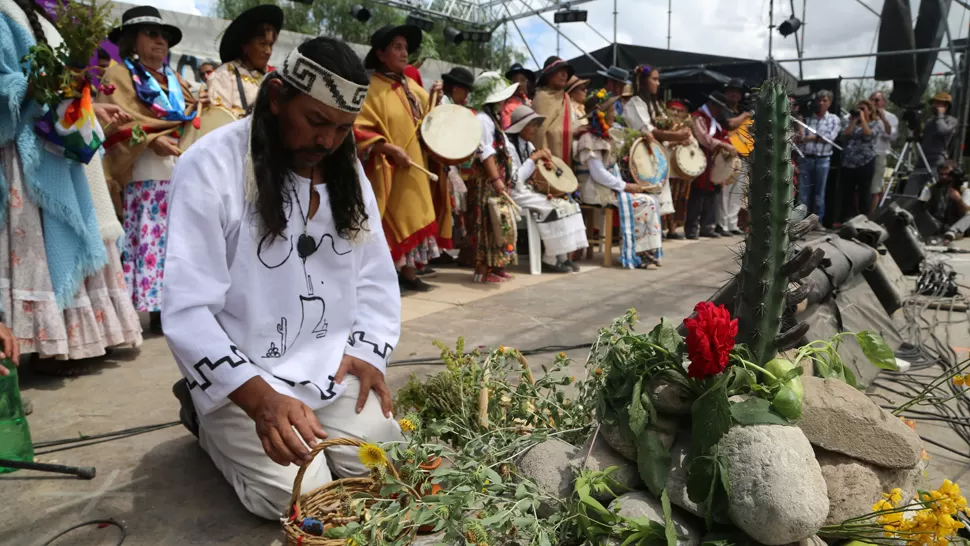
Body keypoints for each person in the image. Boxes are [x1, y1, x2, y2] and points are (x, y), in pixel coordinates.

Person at [164, 36, 403, 521]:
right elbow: (187, 308)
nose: (328, 142)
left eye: (342, 128)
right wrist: (260, 400)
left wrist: (366, 350)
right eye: (316, 122)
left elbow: (375, 276)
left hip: (330, 367)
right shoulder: (209, 165)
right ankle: (207, 420)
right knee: (301, 498)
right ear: (276, 98)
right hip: (248, 376)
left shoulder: (345, 170)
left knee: (390, 471)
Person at [1, 0, 143, 365]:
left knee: (58, 242)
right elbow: (11, 82)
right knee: (34, 245)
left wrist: (88, 106)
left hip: (56, 143)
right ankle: (32, 347)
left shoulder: (46, 17)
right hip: (25, 150)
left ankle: (61, 344)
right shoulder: (5, 13)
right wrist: (33, 85)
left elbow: (61, 87)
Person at [97, 6, 202, 334]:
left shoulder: (176, 80)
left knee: (178, 238)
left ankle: (172, 306)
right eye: (152, 34)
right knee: (147, 236)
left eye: (165, 36)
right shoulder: (118, 75)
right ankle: (145, 310)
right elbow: (114, 125)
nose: (161, 41)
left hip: (178, 166)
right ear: (132, 40)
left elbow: (189, 115)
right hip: (143, 167)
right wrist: (151, 140)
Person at [354, 25, 449, 293]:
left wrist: (436, 100)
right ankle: (384, 276)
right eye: (397, 47)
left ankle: (408, 272)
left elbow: (428, 122)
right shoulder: (370, 88)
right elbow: (358, 127)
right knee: (390, 220)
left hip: (416, 166)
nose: (404, 52)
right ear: (381, 54)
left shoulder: (412, 87)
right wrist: (388, 149)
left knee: (415, 213)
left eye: (406, 47)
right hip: (387, 169)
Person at [576, 89, 663, 269]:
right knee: (645, 202)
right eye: (609, 111)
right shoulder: (588, 139)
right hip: (595, 189)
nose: (613, 114)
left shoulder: (606, 137)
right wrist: (626, 186)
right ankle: (638, 253)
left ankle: (645, 251)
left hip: (608, 186)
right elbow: (598, 173)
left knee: (652, 199)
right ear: (599, 115)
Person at [506, 105, 588, 273]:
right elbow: (514, 180)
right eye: (532, 124)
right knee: (553, 208)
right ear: (520, 125)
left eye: (536, 125)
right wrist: (533, 158)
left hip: (529, 191)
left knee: (568, 204)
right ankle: (550, 259)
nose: (535, 129)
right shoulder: (509, 147)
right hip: (515, 193)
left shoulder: (527, 145)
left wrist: (546, 164)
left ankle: (563, 257)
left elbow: (536, 173)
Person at [624, 65, 692, 239]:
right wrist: (676, 135)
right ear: (642, 81)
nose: (657, 83)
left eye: (658, 79)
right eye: (654, 79)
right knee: (648, 194)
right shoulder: (635, 103)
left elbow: (661, 133)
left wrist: (676, 139)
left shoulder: (656, 104)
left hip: (656, 155)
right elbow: (649, 132)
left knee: (658, 196)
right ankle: (646, 236)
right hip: (642, 157)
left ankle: (656, 233)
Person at [465, 76, 522, 283]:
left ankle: (496, 265)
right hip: (486, 181)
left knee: (498, 222)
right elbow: (485, 153)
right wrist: (496, 179)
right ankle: (483, 269)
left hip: (495, 179)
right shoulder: (483, 119)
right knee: (486, 222)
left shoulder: (492, 120)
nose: (504, 103)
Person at [207, 5, 282, 117]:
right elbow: (219, 121)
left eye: (270, 44)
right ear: (245, 45)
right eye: (262, 44)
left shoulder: (274, 78)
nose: (268, 51)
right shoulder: (224, 75)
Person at [687, 92, 737, 239]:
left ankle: (708, 226)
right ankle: (691, 228)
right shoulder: (698, 116)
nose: (720, 111)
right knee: (697, 192)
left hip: (714, 159)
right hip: (700, 157)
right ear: (712, 104)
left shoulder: (716, 120)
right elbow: (704, 138)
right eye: (719, 107)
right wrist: (723, 145)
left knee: (713, 192)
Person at [794, 89, 840, 222]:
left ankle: (817, 222)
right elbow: (801, 138)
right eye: (819, 100)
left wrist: (810, 138)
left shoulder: (833, 119)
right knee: (803, 192)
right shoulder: (807, 119)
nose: (821, 103)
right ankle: (800, 221)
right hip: (806, 158)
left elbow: (829, 138)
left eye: (824, 100)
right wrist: (809, 134)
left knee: (819, 193)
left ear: (829, 103)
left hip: (822, 159)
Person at [715, 78, 752, 236]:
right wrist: (745, 115)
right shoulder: (722, 110)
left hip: (743, 155)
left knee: (738, 191)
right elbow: (729, 124)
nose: (733, 95)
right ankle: (721, 224)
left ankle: (732, 224)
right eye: (730, 91)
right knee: (725, 190)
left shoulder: (743, 113)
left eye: (737, 92)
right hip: (727, 155)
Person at [840, 100, 884, 219]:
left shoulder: (876, 123)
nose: (860, 111)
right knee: (848, 192)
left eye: (863, 109)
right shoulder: (850, 122)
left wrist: (863, 119)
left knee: (864, 191)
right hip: (848, 162)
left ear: (870, 111)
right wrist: (854, 121)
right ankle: (848, 218)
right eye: (858, 109)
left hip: (865, 161)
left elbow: (868, 134)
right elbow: (845, 135)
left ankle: (865, 218)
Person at [532, 56, 575, 164]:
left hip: (566, 155)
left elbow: (569, 126)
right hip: (547, 157)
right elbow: (538, 134)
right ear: (549, 75)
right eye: (560, 71)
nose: (565, 75)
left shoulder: (566, 98)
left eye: (566, 72)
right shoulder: (541, 97)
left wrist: (575, 132)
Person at [915, 91, 959, 194]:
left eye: (938, 103)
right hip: (923, 157)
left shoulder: (951, 120)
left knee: (933, 186)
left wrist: (940, 115)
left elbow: (942, 130)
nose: (934, 106)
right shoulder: (930, 120)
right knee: (914, 183)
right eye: (934, 103)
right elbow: (924, 138)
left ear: (946, 106)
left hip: (937, 159)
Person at [869, 91, 898, 210]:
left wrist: (883, 119)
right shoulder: (865, 115)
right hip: (863, 156)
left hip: (879, 154)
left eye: (876, 100)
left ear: (883, 103)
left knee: (875, 188)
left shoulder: (891, 117)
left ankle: (870, 216)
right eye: (871, 100)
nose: (873, 103)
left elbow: (892, 136)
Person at [500, 63, 535, 129]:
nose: (519, 84)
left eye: (523, 80)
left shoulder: (527, 100)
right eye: (514, 81)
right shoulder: (508, 108)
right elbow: (507, 132)